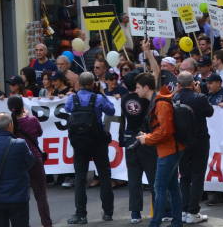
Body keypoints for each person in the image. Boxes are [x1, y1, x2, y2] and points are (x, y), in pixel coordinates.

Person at [135, 73, 186, 227]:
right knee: (172, 187)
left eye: (137, 88)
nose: (135, 91)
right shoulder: (157, 101)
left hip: (169, 150)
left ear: (146, 87)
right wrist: (149, 136)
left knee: (160, 188)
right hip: (170, 149)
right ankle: (176, 222)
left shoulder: (160, 103)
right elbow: (163, 129)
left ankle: (155, 223)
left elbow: (165, 131)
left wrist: (148, 139)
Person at [64, 72, 116, 224]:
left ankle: (80, 214)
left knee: (80, 177)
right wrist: (101, 93)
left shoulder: (72, 98)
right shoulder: (98, 97)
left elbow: (67, 109)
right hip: (98, 140)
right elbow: (111, 111)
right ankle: (107, 212)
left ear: (78, 84)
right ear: (94, 84)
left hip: (79, 142)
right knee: (104, 175)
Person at [174, 72, 214, 224]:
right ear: (193, 84)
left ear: (178, 85)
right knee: (197, 176)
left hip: (182, 142)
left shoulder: (174, 98)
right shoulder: (200, 98)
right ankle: (193, 212)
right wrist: (199, 93)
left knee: (184, 176)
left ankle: (185, 210)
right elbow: (210, 112)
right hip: (199, 141)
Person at [8, 95, 52, 227]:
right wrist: (27, 117)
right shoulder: (32, 120)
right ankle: (47, 224)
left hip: (18, 162)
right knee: (41, 195)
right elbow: (39, 133)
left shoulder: (10, 124)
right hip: (35, 159)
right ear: (23, 107)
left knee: (20, 196)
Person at [119, 72, 157, 224]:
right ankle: (164, 208)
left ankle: (135, 212)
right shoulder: (144, 98)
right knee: (154, 176)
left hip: (130, 139)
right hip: (145, 138)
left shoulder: (124, 99)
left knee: (134, 178)